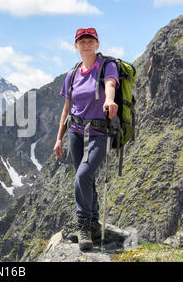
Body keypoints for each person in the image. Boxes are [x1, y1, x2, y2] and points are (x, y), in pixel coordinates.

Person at [53, 27, 119, 251]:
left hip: (99, 132)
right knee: (86, 179)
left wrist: (110, 101)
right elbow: (66, 109)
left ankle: (83, 224)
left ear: (97, 44)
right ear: (76, 46)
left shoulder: (107, 66)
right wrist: (59, 138)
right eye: (82, 41)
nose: (86, 44)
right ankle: (93, 225)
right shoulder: (71, 75)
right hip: (75, 131)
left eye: (91, 40)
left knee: (82, 175)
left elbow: (110, 84)